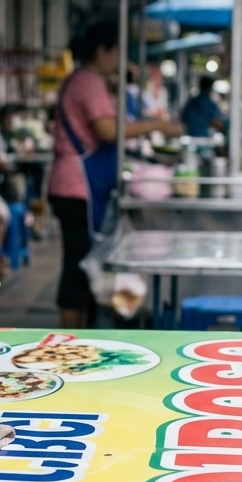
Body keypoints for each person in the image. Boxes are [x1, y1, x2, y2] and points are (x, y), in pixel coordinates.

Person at [48, 20, 181, 328]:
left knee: (82, 262)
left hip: (78, 185)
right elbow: (107, 131)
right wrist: (157, 125)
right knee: (78, 264)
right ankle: (71, 332)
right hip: (76, 185)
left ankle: (85, 327)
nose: (121, 59)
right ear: (102, 50)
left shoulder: (90, 81)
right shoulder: (88, 82)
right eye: (118, 52)